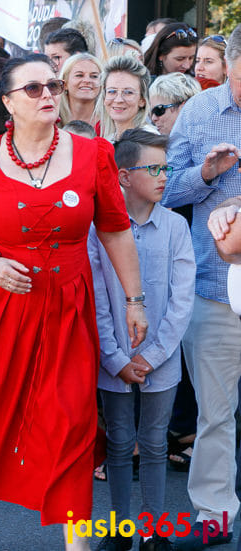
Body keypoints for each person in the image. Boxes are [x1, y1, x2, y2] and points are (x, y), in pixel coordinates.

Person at [0, 54, 147, 551]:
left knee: (70, 419)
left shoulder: (94, 154)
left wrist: (134, 300)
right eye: (35, 88)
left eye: (53, 86)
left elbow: (115, 230)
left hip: (66, 309)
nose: (48, 95)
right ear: (8, 101)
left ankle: (75, 540)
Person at [89, 129, 195, 551]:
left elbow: (181, 301)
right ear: (123, 177)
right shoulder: (100, 230)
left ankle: (153, 530)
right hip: (113, 356)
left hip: (162, 360)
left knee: (153, 442)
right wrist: (114, 358)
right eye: (152, 168)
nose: (164, 176)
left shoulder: (175, 227)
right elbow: (95, 298)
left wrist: (151, 356)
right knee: (118, 442)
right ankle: (119, 529)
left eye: (165, 167)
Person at [161, 23, 241, 551]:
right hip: (215, 287)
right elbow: (165, 187)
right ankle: (216, 511)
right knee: (216, 411)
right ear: (231, 62)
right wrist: (206, 176)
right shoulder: (200, 111)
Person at [98, 55, 156, 143]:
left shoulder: (148, 140)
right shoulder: (109, 140)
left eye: (128, 92)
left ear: (142, 100)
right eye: (112, 91)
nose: (118, 100)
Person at [59, 53, 103, 127]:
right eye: (79, 75)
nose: (87, 80)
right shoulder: (53, 120)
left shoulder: (110, 122)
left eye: (94, 76)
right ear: (65, 84)